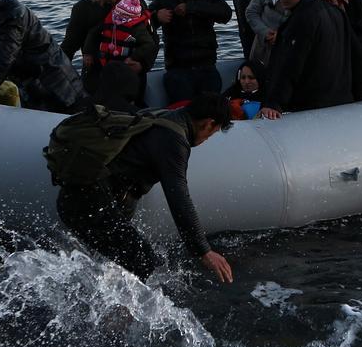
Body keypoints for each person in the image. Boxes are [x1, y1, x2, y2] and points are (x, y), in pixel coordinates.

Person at [55, 93, 235, 283]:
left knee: (116, 265)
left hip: (82, 199)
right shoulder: (174, 139)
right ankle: (115, 311)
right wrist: (204, 250)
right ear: (209, 123)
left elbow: (123, 172)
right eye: (212, 133)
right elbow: (179, 197)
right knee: (146, 263)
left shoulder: (158, 115)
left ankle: (112, 309)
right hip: (90, 204)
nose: (208, 138)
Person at [260, 0, 362, 119]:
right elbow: (356, 54)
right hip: (341, 99)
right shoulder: (336, 12)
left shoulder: (302, 19)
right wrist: (361, 94)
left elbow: (291, 63)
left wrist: (274, 102)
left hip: (311, 105)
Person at [149, 0, 233, 104]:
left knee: (212, 115)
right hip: (178, 70)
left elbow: (226, 15)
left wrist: (192, 8)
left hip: (207, 67)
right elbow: (143, 26)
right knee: (185, 114)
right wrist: (155, 18)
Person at [81, 0, 158, 106]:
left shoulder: (137, 28)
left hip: (127, 67)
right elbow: (92, 33)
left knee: (131, 96)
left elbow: (149, 45)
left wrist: (134, 58)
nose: (118, 17)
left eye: (123, 16)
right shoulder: (109, 20)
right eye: (117, 13)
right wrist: (87, 53)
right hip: (106, 66)